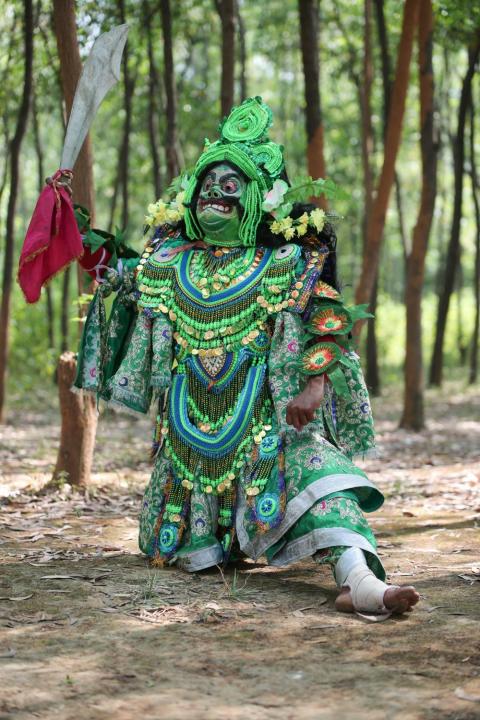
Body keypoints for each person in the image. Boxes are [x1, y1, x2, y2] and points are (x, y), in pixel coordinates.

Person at [73, 97, 419, 617]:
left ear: (257, 197)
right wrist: (71, 227)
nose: (215, 192)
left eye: (230, 185)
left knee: (320, 483)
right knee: (202, 555)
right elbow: (117, 275)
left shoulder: (285, 260)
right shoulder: (167, 260)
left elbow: (326, 319)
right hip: (187, 443)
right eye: (207, 184)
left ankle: (359, 579)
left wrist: (314, 383)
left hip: (264, 428)